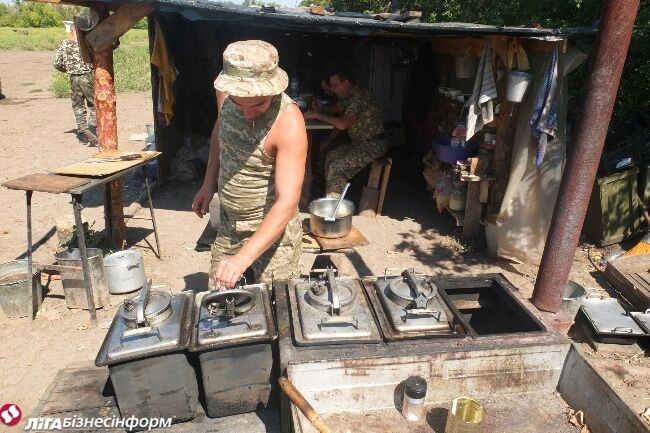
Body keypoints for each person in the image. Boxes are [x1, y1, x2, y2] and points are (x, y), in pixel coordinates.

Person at [192, 40, 308, 290]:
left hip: (274, 235)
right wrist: (207, 184)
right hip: (229, 226)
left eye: (258, 104)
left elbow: (287, 202)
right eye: (239, 103)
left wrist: (243, 259)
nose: (247, 112)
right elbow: (219, 133)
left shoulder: (288, 122)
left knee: (278, 309)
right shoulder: (228, 92)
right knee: (218, 304)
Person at [304, 69, 387, 197]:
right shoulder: (348, 96)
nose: (332, 89)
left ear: (346, 83)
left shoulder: (358, 97)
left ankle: (333, 210)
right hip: (360, 143)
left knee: (337, 167)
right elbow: (335, 108)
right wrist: (320, 108)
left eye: (334, 85)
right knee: (330, 156)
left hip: (373, 144)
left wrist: (317, 114)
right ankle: (330, 198)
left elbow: (343, 124)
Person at [53, 22, 97, 145]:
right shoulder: (85, 43)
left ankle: (82, 134)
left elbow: (56, 63)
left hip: (73, 78)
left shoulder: (64, 44)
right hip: (87, 77)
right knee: (95, 103)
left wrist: (67, 69)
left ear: (71, 31)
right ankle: (92, 127)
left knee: (78, 106)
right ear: (79, 30)